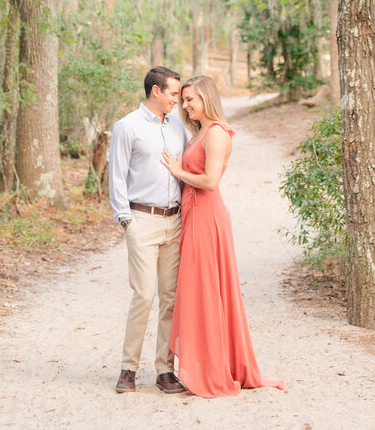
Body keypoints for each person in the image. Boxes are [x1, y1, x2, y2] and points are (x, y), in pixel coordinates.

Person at [161, 75, 282, 399]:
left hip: (206, 215)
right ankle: (208, 363)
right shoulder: (200, 132)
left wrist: (178, 172)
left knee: (205, 292)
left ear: (207, 99)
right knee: (200, 291)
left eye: (191, 100)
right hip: (194, 214)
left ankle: (213, 370)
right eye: (184, 99)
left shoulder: (215, 133)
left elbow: (211, 180)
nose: (186, 105)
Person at [108, 65, 189, 395]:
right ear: (156, 91)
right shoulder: (127, 127)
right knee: (144, 294)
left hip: (175, 221)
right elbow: (116, 174)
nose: (176, 100)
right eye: (173, 93)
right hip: (142, 220)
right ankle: (128, 369)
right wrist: (125, 220)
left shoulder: (178, 128)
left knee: (170, 299)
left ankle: (165, 370)